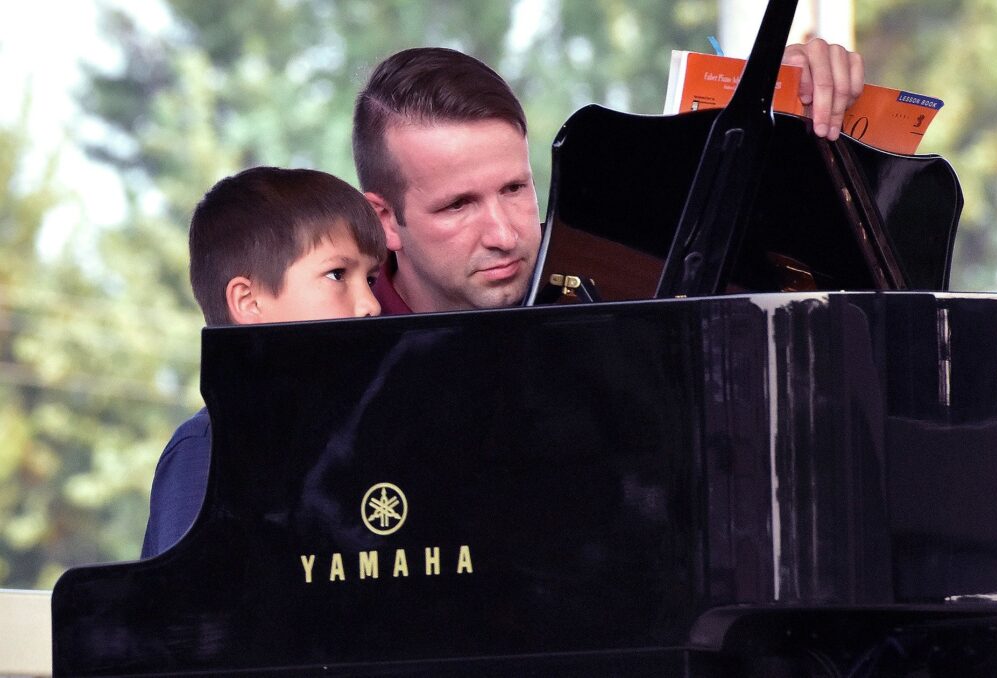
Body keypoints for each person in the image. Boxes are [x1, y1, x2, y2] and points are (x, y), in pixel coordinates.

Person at [353, 40, 864, 316]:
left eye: (514, 189)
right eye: (458, 205)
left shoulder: (614, 293)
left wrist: (794, 95)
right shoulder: (330, 347)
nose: (505, 236)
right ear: (384, 220)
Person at [141, 167, 386, 558]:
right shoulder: (207, 452)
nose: (370, 305)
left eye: (371, 279)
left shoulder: (371, 434)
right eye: (337, 274)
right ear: (249, 302)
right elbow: (191, 614)